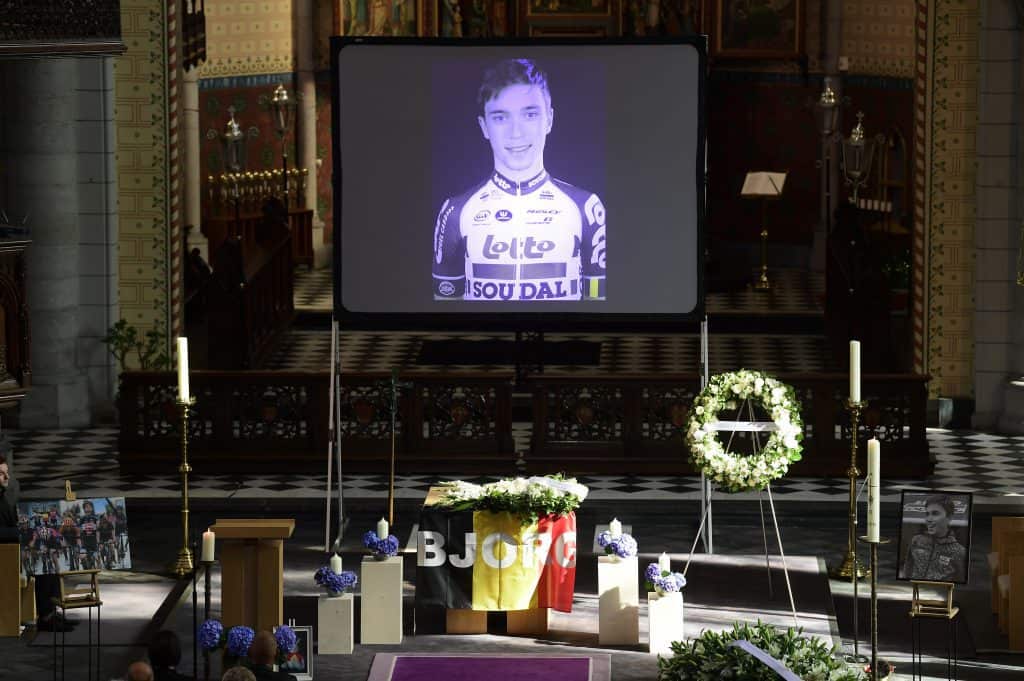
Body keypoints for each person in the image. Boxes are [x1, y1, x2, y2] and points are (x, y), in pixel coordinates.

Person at [432, 58, 607, 302]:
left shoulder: (588, 209)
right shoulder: (454, 212)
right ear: (484, 126)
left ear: (549, 120)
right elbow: (444, 310)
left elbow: (599, 305)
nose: (516, 133)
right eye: (500, 118)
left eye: (530, 114)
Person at [0, 453, 71, 631]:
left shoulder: (3, 496)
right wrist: (19, 532)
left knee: (50, 561)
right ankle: (46, 617)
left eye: (7, 472)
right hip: (5, 554)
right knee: (43, 570)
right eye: (1, 473)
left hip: (11, 548)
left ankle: (52, 611)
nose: (7, 477)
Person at [901, 494, 968, 583]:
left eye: (935, 513)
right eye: (927, 514)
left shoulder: (959, 551)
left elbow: (960, 580)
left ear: (949, 517)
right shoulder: (916, 540)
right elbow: (908, 567)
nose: (929, 519)